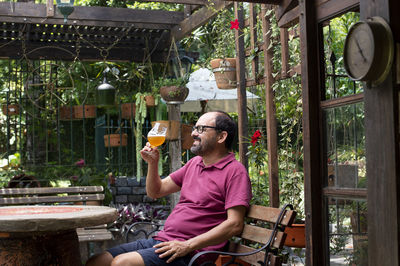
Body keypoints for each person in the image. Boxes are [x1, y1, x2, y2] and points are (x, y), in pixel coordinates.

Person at [86, 111, 252, 266]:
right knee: (97, 261)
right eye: (195, 128)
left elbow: (235, 224)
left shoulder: (234, 171)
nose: (194, 133)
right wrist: (153, 163)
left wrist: (187, 245)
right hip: (165, 241)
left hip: (192, 252)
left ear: (221, 136)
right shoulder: (194, 164)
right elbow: (155, 192)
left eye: (201, 129)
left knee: (123, 263)